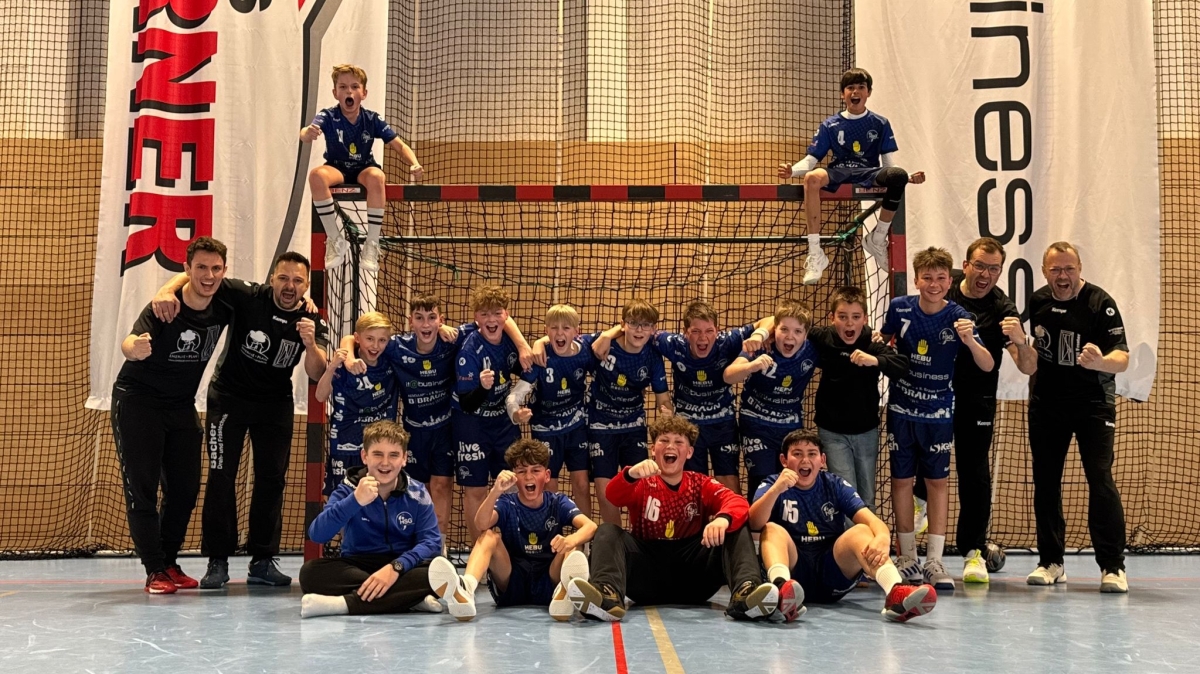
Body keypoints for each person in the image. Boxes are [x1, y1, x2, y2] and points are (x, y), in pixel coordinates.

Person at [153, 251, 329, 589]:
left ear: (306, 285)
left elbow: (317, 371)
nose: (289, 286)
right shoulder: (249, 295)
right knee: (221, 477)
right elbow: (205, 279)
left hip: (274, 404)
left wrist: (310, 344)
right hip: (229, 399)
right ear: (272, 278)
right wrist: (165, 290)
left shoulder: (312, 319)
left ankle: (262, 560)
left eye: (297, 280)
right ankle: (218, 561)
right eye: (283, 278)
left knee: (272, 480)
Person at [341, 292, 527, 540]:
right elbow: (352, 338)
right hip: (413, 430)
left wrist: (523, 346)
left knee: (441, 486)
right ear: (411, 321)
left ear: (441, 320)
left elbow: (500, 318)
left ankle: (440, 547)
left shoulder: (452, 339)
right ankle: (421, 545)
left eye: (432, 318)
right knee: (418, 491)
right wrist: (349, 357)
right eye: (419, 318)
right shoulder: (396, 346)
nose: (426, 324)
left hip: (445, 429)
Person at [566, 416, 779, 623]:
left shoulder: (701, 483)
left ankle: (746, 595)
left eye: (679, 442)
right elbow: (612, 496)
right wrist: (630, 475)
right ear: (653, 449)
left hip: (695, 578)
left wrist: (722, 519)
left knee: (735, 526)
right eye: (664, 440)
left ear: (689, 452)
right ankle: (606, 595)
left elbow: (738, 502)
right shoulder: (641, 481)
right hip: (646, 575)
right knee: (607, 530)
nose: (671, 446)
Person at [111, 237, 233, 594]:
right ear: (187, 269)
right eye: (201, 267)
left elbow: (266, 296)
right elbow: (130, 341)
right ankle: (154, 569)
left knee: (185, 489)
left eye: (215, 268)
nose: (208, 275)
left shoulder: (225, 302)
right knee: (143, 488)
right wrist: (132, 348)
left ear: (224, 271)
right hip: (138, 402)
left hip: (180, 405)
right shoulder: (166, 305)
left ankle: (168, 561)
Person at [911, 238, 1036, 582]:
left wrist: (1021, 340)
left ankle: (973, 552)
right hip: (934, 393)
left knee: (974, 472)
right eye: (979, 265)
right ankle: (917, 508)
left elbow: (1028, 367)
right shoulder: (945, 287)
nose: (985, 274)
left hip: (976, 399)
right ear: (965, 266)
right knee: (923, 455)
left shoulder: (1002, 308)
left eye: (994, 268)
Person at [878, 247, 992, 591]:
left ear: (949, 281)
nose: (934, 284)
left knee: (937, 483)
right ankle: (908, 558)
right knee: (901, 481)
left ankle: (934, 561)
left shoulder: (959, 316)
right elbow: (882, 340)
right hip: (901, 410)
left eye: (941, 277)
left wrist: (970, 341)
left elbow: (987, 364)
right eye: (927, 277)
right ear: (916, 280)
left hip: (939, 413)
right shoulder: (900, 308)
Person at [1020, 242, 1130, 593]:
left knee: (1100, 478)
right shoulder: (1038, 302)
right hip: (1047, 405)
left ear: (1080, 269)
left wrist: (1101, 361)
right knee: (1045, 481)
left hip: (1093, 404)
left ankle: (1113, 566)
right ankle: (1051, 562)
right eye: (1055, 269)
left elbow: (1122, 358)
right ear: (1044, 271)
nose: (1063, 275)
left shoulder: (1100, 303)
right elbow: (1032, 353)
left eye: (1069, 268)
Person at [749, 430, 937, 622]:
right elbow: (754, 522)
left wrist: (883, 537)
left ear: (822, 460)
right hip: (794, 570)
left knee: (862, 530)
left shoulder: (834, 484)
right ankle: (781, 590)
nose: (805, 460)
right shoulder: (773, 484)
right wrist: (776, 490)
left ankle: (896, 593)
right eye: (797, 454)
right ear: (784, 460)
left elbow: (872, 521)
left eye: (812, 454)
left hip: (832, 573)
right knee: (771, 529)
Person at [776, 67, 926, 284]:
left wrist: (907, 176)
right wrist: (792, 171)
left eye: (861, 87)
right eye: (850, 88)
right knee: (811, 178)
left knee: (897, 175)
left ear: (868, 92)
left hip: (869, 171)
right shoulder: (830, 125)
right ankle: (815, 252)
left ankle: (877, 238)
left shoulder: (880, 123)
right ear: (842, 94)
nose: (855, 92)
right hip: (839, 170)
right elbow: (811, 160)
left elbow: (889, 165)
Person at [427, 439, 597, 621]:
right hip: (511, 581)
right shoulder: (507, 502)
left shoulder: (558, 502)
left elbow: (591, 526)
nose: (529, 477)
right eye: (522, 471)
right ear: (514, 477)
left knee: (575, 545)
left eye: (535, 470)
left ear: (547, 475)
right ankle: (466, 589)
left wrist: (571, 540)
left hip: (550, 580)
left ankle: (564, 593)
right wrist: (495, 491)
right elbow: (481, 524)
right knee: (488, 536)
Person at [299, 420, 444, 618]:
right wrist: (355, 501)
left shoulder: (417, 493)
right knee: (309, 573)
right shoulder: (348, 489)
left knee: (441, 572)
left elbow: (432, 542)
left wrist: (396, 567)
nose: (385, 463)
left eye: (393, 455)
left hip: (402, 565)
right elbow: (317, 534)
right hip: (358, 564)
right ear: (364, 456)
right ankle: (410, 599)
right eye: (377, 454)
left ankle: (342, 604)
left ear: (404, 459)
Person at [301, 64, 423, 272]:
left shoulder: (372, 119)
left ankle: (372, 243)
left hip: (363, 169)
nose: (349, 91)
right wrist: (307, 133)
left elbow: (400, 145)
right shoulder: (328, 116)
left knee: (377, 176)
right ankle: (335, 239)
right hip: (337, 168)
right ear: (335, 93)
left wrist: (414, 162)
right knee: (316, 176)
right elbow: (305, 133)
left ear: (363, 93)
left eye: (355, 87)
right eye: (343, 87)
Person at [649, 301, 772, 493]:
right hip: (688, 425)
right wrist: (608, 336)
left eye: (709, 331)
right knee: (693, 484)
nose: (703, 338)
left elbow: (771, 319)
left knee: (728, 481)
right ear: (685, 332)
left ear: (718, 330)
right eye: (696, 331)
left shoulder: (728, 341)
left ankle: (732, 514)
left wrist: (759, 335)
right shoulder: (672, 343)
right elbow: (638, 331)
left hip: (722, 424)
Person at [808, 286, 909, 517]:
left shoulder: (871, 343)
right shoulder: (824, 337)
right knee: (847, 494)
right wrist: (764, 335)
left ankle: (869, 540)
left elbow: (902, 366)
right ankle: (851, 541)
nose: (849, 324)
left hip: (866, 431)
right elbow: (790, 323)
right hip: (832, 432)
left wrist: (874, 360)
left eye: (855, 317)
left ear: (865, 319)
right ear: (832, 317)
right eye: (842, 317)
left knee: (867, 497)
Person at [454, 284, 533, 543]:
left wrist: (515, 402)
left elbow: (531, 372)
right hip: (472, 424)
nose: (491, 320)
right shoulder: (469, 350)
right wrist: (483, 388)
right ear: (475, 317)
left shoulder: (511, 341)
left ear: (506, 316)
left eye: (497, 313)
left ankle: (509, 550)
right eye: (484, 314)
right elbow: (467, 404)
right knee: (476, 490)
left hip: (502, 423)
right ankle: (479, 549)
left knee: (511, 485)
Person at [584, 299, 673, 524]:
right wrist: (538, 344)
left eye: (645, 325)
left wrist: (666, 412)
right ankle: (614, 539)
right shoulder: (603, 343)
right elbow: (564, 340)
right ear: (623, 324)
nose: (639, 330)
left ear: (653, 329)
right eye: (633, 323)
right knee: (605, 491)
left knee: (641, 487)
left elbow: (663, 396)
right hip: (600, 425)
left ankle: (638, 537)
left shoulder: (652, 356)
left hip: (633, 426)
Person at [724, 300, 820, 499]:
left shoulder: (812, 349)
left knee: (791, 485)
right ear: (774, 329)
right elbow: (728, 375)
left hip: (790, 427)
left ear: (805, 334)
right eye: (784, 329)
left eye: (797, 331)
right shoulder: (761, 347)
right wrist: (751, 365)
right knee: (762, 484)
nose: (790, 336)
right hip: (756, 425)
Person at [510, 304, 597, 518]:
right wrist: (516, 414)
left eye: (566, 328)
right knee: (549, 486)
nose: (560, 333)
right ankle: (551, 533)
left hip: (576, 427)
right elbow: (514, 396)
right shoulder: (540, 358)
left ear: (576, 331)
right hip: (545, 430)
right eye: (554, 328)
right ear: (546, 331)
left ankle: (586, 535)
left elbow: (614, 334)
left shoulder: (585, 352)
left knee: (582, 484)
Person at [315, 312, 400, 495]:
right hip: (345, 445)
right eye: (370, 339)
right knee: (341, 500)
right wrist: (332, 366)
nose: (375, 346)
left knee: (378, 500)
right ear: (358, 338)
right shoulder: (343, 364)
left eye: (382, 340)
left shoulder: (392, 359)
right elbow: (320, 396)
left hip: (379, 448)